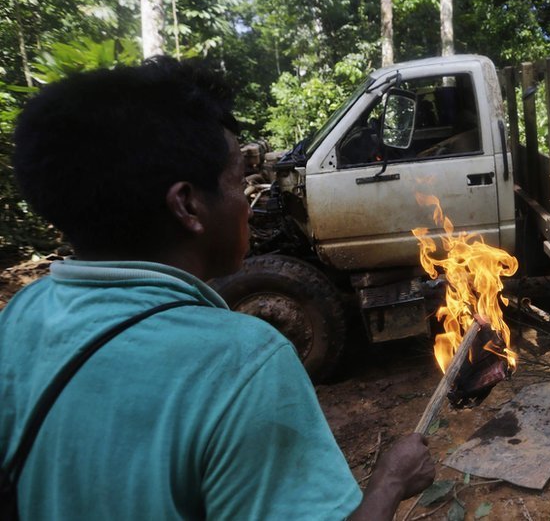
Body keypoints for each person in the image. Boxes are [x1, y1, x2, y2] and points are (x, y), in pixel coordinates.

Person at [0, 57, 435, 519]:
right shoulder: (243, 362)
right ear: (187, 205)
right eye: (236, 180)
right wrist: (391, 481)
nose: (248, 202)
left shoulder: (23, 314)